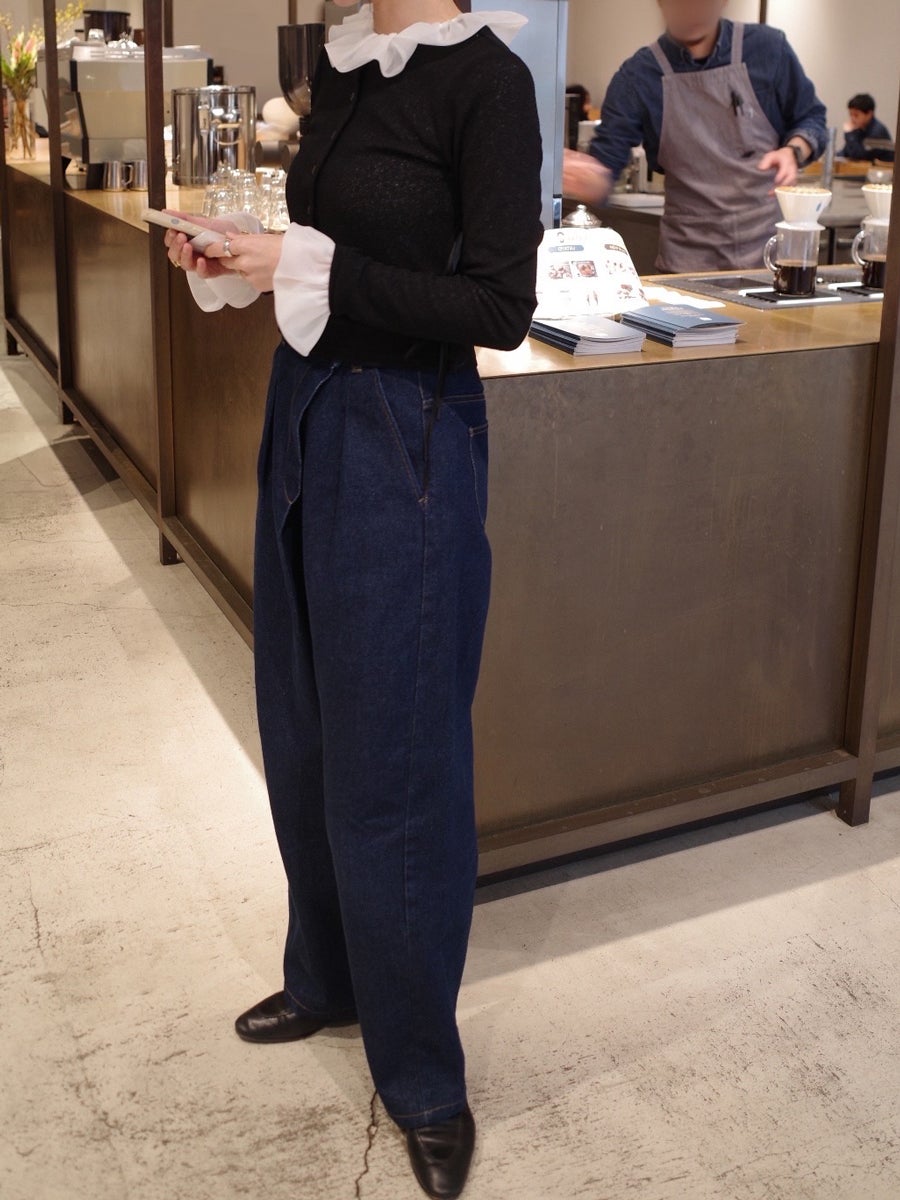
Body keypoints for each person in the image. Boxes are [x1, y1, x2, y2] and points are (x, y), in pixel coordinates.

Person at [163, 1, 543, 1196]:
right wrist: (250, 258)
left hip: (408, 426)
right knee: (303, 722)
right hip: (308, 405)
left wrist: (309, 265)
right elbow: (335, 255)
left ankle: (423, 1073)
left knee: (400, 759)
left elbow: (498, 306)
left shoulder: (486, 80)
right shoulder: (345, 66)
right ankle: (326, 976)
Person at [563, 0, 828, 272]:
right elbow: (605, 167)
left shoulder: (767, 48)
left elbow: (811, 118)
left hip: (768, 258)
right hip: (686, 264)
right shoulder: (638, 77)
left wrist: (793, 151)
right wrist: (585, 178)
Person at [843, 93, 895, 163]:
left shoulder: (878, 131)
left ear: (869, 114)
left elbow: (858, 156)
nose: (852, 119)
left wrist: (849, 134)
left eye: (856, 115)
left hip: (884, 168)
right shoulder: (859, 128)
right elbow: (846, 151)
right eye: (850, 114)